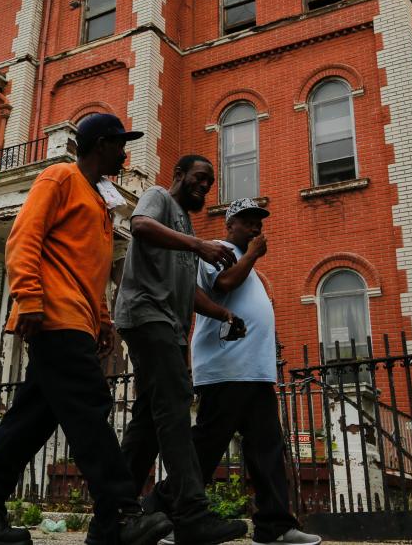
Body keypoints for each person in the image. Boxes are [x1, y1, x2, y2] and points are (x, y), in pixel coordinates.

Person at [0, 114, 172, 545]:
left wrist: (103, 320)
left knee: (33, 417)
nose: (125, 152)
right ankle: (121, 514)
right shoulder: (60, 177)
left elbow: (91, 268)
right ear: (101, 144)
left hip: (79, 319)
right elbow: (23, 238)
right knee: (90, 405)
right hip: (53, 314)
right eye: (120, 142)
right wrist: (29, 298)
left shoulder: (101, 200)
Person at [154, 198, 321, 545]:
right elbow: (224, 284)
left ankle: (274, 527)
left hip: (255, 372)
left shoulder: (248, 264)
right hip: (226, 368)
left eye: (258, 221)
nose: (256, 227)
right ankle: (161, 517)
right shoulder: (220, 252)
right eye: (247, 221)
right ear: (230, 225)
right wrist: (252, 255)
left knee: (267, 448)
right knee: (206, 447)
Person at [113, 155, 248, 545]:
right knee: (174, 403)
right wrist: (197, 245)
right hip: (145, 315)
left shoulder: (186, 227)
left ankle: (113, 511)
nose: (205, 186)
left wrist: (223, 314)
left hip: (170, 327)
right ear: (178, 174)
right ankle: (191, 513)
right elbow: (139, 226)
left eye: (210, 182)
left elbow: (189, 292)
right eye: (199, 178)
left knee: (147, 421)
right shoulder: (158, 198)